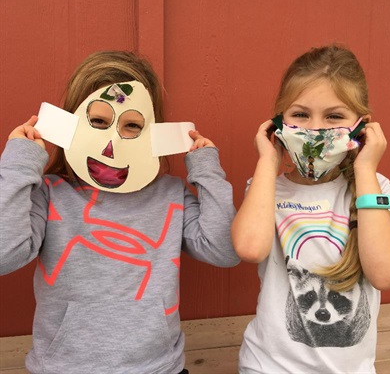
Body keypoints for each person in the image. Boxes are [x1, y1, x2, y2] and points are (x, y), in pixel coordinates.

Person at [0, 50, 240, 374]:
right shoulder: (50, 194)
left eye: (132, 126)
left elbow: (223, 250)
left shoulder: (171, 196)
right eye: (98, 121)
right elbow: (4, 254)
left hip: (159, 368)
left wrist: (206, 169)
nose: (112, 143)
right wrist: (20, 163)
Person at [231, 44, 390, 373]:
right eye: (300, 114)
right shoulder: (267, 188)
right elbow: (250, 247)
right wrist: (268, 160)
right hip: (268, 366)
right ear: (278, 121)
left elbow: (386, 274)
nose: (315, 130)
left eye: (334, 116)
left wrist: (365, 170)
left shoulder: (373, 188)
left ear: (361, 126)